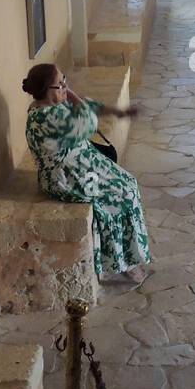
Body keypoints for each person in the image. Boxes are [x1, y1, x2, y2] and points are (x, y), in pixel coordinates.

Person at [22, 64, 151, 283]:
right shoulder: (44, 118)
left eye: (65, 80)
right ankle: (122, 262)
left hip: (81, 163)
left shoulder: (53, 105)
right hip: (64, 177)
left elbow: (88, 106)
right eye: (60, 84)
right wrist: (70, 93)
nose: (65, 87)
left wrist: (118, 112)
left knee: (128, 182)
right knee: (120, 194)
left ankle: (131, 254)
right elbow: (88, 122)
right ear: (46, 90)